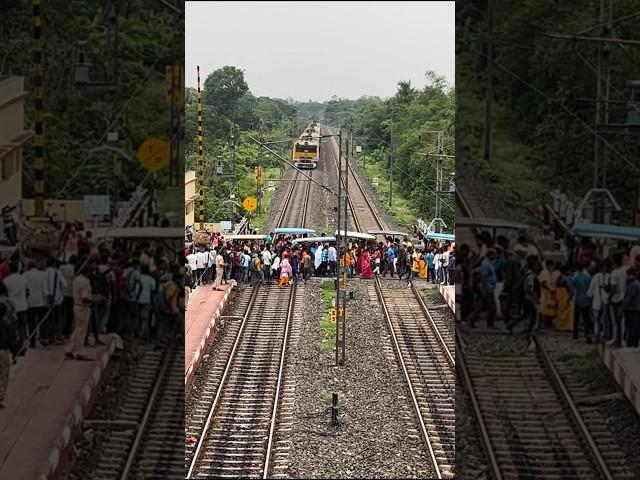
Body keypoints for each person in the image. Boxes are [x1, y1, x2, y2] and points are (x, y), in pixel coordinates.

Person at [66, 261, 98, 361]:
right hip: (83, 306)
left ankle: (70, 350)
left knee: (77, 329)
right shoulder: (85, 282)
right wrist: (95, 299)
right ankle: (79, 352)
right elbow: (85, 298)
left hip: (76, 305)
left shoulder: (77, 279)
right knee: (82, 331)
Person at [0, 280, 19, 408]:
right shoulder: (7, 324)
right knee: (3, 375)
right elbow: (12, 340)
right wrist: (15, 353)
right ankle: (0, 397)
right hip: (3, 351)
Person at [4, 260, 28, 353]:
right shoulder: (23, 279)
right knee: (22, 327)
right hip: (22, 306)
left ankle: (14, 346)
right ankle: (22, 346)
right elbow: (27, 292)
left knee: (13, 328)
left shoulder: (6, 280)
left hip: (11, 307)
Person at [44, 257, 67, 345]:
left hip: (49, 300)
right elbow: (65, 284)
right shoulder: (58, 273)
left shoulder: (45, 273)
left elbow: (45, 287)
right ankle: (58, 335)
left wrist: (47, 297)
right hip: (58, 299)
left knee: (49, 319)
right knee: (58, 318)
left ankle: (51, 336)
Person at [24, 260, 47, 347]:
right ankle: (42, 337)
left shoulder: (25, 275)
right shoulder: (42, 274)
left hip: (30, 302)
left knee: (31, 322)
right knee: (42, 322)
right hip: (41, 301)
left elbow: (25, 289)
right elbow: (45, 289)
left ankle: (32, 341)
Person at [572, 262, 592, 343]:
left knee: (576, 319)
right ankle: (587, 335)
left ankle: (575, 334)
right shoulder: (587, 278)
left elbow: (574, 289)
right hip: (586, 301)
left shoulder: (576, 278)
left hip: (578, 300)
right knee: (586, 319)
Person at [623, 268, 640, 350]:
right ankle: (635, 344)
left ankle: (631, 344)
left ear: (632, 275)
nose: (627, 277)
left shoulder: (632, 285)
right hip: (637, 308)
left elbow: (629, 297)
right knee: (636, 327)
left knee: (631, 328)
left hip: (632, 309)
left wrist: (623, 307)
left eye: (628, 275)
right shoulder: (638, 283)